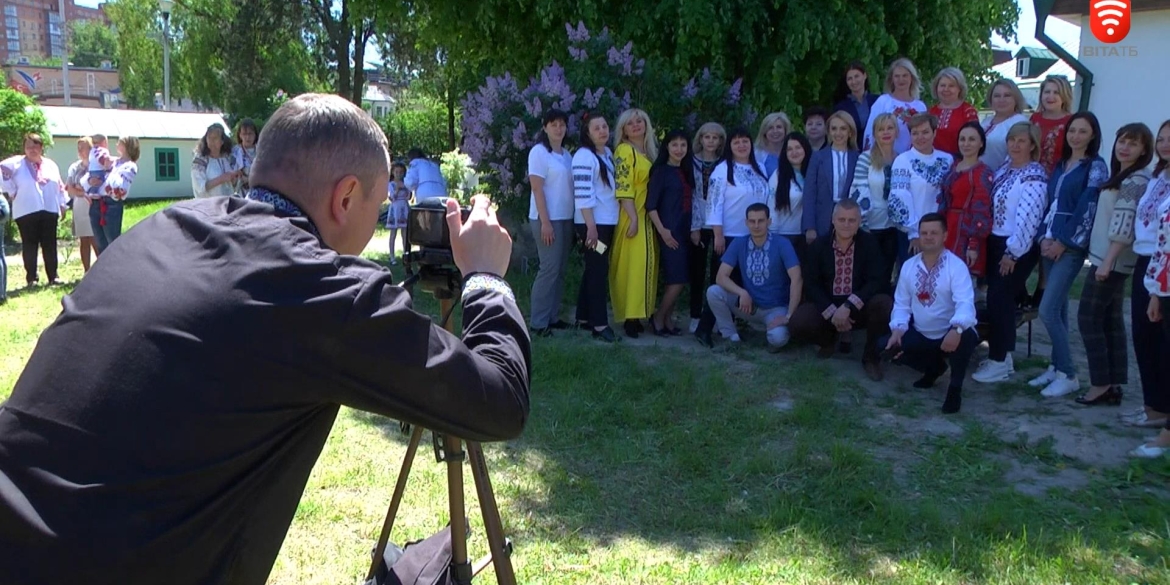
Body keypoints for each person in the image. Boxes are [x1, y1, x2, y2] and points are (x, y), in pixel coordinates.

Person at [0, 94, 531, 585]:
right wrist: (485, 278)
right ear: (346, 197)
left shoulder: (160, 228)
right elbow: (498, 400)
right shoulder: (314, 286)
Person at [1031, 112, 1110, 398]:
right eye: (1072, 130)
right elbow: (1051, 203)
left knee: (1047, 310)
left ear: (1092, 135)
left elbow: (1087, 208)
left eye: (1082, 131)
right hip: (1049, 241)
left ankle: (1070, 373)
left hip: (1069, 246)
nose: (1076, 136)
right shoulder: (1062, 165)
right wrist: (1042, 236)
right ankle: (1056, 367)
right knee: (1060, 309)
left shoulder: (1096, 167)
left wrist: (1064, 242)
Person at [1074, 123, 1153, 406]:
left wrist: (1106, 263)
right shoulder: (1124, 175)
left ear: (1145, 149)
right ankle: (1113, 383)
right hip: (1107, 257)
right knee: (1110, 320)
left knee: (1088, 318)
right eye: (1122, 140)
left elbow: (1123, 225)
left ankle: (1100, 383)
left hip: (1111, 260)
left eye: (1133, 143)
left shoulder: (1134, 181)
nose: (1125, 147)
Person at [971, 122, 1048, 384]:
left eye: (1022, 141)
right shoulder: (1005, 169)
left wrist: (1013, 253)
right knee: (998, 299)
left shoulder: (1033, 176)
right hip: (997, 239)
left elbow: (1029, 218)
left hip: (1017, 246)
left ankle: (999, 360)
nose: (1015, 145)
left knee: (1000, 299)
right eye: (1012, 139)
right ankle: (1003, 355)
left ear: (1032, 145)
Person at [885, 213, 980, 414]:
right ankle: (934, 368)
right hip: (922, 330)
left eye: (934, 233)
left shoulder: (956, 266)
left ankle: (955, 388)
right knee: (887, 347)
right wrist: (898, 329)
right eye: (924, 233)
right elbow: (901, 304)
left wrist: (957, 329)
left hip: (949, 331)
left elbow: (965, 304)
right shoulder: (909, 266)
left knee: (966, 336)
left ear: (945, 235)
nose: (928, 237)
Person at [789, 199, 893, 380]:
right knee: (799, 323)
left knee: (885, 304)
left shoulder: (869, 244)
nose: (846, 224)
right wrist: (833, 312)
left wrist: (848, 306)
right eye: (842, 219)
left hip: (858, 304)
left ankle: (870, 357)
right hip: (828, 304)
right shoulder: (818, 246)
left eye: (852, 220)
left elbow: (878, 280)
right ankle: (829, 340)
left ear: (859, 222)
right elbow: (811, 284)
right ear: (833, 220)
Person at [695, 203, 802, 351]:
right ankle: (731, 337)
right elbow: (721, 277)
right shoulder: (740, 243)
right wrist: (741, 292)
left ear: (769, 221)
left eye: (761, 221)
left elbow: (797, 278)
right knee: (714, 292)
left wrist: (789, 316)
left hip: (776, 308)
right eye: (752, 221)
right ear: (746, 223)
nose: (756, 225)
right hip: (748, 306)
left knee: (778, 339)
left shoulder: (782, 244)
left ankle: (772, 334)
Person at [610, 108, 659, 338]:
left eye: (640, 121)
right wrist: (632, 218)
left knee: (645, 265)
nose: (636, 125)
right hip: (632, 214)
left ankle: (640, 313)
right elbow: (623, 186)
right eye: (631, 123)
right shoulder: (624, 150)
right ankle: (629, 317)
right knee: (631, 266)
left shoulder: (648, 152)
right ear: (624, 130)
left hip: (646, 216)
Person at [526, 109, 575, 336]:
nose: (558, 128)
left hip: (565, 218)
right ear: (545, 127)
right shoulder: (539, 152)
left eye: (562, 124)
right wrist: (545, 222)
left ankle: (552, 317)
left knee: (561, 270)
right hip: (546, 219)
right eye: (553, 124)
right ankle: (538, 322)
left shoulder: (566, 155)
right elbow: (537, 188)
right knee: (549, 269)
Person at [573, 112, 620, 342]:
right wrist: (590, 227)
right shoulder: (584, 156)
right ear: (587, 133)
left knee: (594, 267)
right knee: (598, 270)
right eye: (596, 128)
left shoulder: (607, 154)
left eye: (604, 126)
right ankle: (600, 325)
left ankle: (582, 317)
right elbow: (582, 195)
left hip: (605, 224)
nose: (602, 131)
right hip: (592, 226)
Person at [0, 133, 67, 287]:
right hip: (26, 210)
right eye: (28, 146)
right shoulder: (16, 164)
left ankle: (53, 277)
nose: (32, 150)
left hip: (49, 208)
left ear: (41, 147)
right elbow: (1, 170)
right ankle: (32, 278)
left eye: (35, 146)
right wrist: (12, 190)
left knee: (49, 244)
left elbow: (59, 185)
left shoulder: (50, 164)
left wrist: (62, 204)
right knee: (30, 245)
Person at [646, 129, 695, 336]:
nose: (679, 149)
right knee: (677, 280)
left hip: (684, 231)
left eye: (683, 145)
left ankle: (667, 320)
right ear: (667, 147)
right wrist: (663, 231)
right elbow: (651, 206)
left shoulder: (685, 170)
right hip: (669, 231)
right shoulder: (661, 171)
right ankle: (658, 318)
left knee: (678, 279)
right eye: (674, 145)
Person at [88, 137, 141, 253]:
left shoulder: (130, 166)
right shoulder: (113, 161)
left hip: (111, 205)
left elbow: (120, 189)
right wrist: (91, 180)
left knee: (112, 242)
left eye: (120, 142)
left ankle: (116, 268)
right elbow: (94, 174)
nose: (116, 144)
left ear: (127, 146)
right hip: (97, 202)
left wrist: (108, 171)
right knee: (100, 243)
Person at [385, 161, 411, 264]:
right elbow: (392, 198)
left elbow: (408, 197)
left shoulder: (406, 183)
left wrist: (405, 188)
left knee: (405, 233)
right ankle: (392, 256)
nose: (399, 174)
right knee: (393, 233)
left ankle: (406, 254)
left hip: (403, 208)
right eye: (397, 172)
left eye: (401, 172)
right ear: (393, 172)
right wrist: (397, 189)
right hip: (394, 209)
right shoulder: (390, 184)